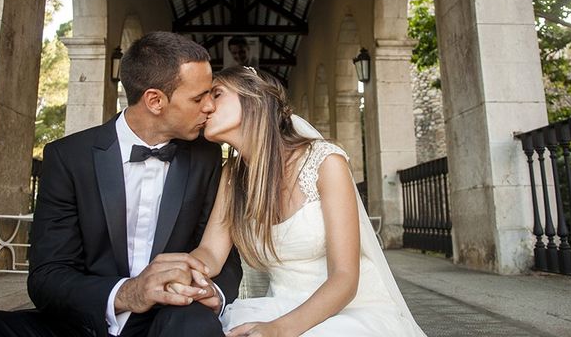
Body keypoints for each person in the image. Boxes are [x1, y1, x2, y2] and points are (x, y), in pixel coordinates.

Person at [0, 32, 242, 337]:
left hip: (171, 323)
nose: (209, 107)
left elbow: (224, 257)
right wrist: (127, 293)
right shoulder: (69, 157)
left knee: (195, 326)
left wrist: (213, 293)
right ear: (155, 100)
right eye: (198, 97)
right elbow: (47, 276)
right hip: (84, 322)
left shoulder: (207, 158)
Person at [172, 66, 427, 336]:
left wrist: (279, 330)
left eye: (217, 93)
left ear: (255, 100)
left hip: (349, 309)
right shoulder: (232, 176)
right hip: (279, 306)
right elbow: (210, 253)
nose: (207, 106)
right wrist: (181, 273)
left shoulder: (325, 163)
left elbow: (345, 278)